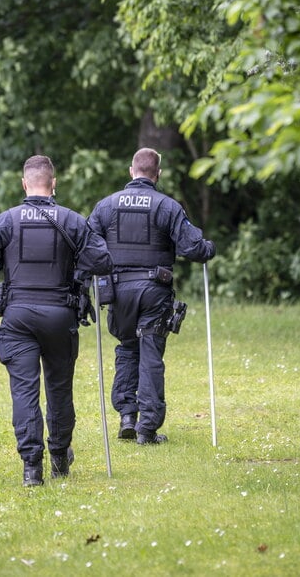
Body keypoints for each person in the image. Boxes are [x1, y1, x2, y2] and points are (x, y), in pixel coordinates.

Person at [0, 155, 112, 486]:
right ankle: (60, 457)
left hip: (18, 317)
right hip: (60, 316)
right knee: (59, 389)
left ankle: (31, 468)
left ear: (24, 183)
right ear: (54, 183)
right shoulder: (73, 221)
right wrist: (77, 271)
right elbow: (102, 260)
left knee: (24, 391)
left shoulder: (5, 222)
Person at [88, 147, 216, 445]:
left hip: (118, 292)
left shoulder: (106, 206)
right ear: (157, 174)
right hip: (153, 291)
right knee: (150, 355)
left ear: (131, 171)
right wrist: (209, 248)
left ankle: (127, 416)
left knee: (127, 348)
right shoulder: (167, 206)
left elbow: (87, 245)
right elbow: (193, 249)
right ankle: (147, 429)